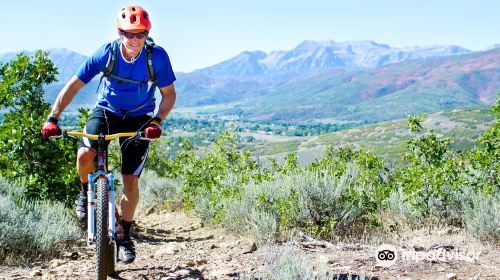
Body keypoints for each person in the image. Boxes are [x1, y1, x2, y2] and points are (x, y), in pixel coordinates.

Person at [41, 5, 176, 264]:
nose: (134, 40)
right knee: (84, 155)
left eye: (140, 34)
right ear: (119, 32)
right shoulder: (107, 53)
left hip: (140, 116)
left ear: (147, 33)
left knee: (130, 181)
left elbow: (168, 95)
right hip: (107, 111)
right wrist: (53, 117)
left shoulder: (156, 57)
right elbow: (74, 85)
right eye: (129, 34)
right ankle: (84, 193)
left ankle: (125, 233)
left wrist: (157, 121)